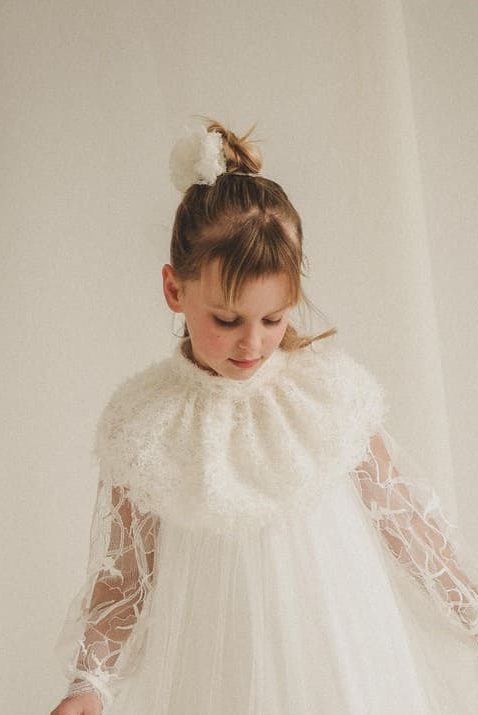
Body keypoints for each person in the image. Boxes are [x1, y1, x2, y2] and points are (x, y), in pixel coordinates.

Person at [50, 117, 478, 715]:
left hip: (337, 655)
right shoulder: (144, 424)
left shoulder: (324, 395)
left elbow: (405, 520)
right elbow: (124, 578)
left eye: (273, 319)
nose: (252, 343)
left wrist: (469, 610)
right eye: (227, 320)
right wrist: (89, 684)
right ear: (174, 290)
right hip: (216, 666)